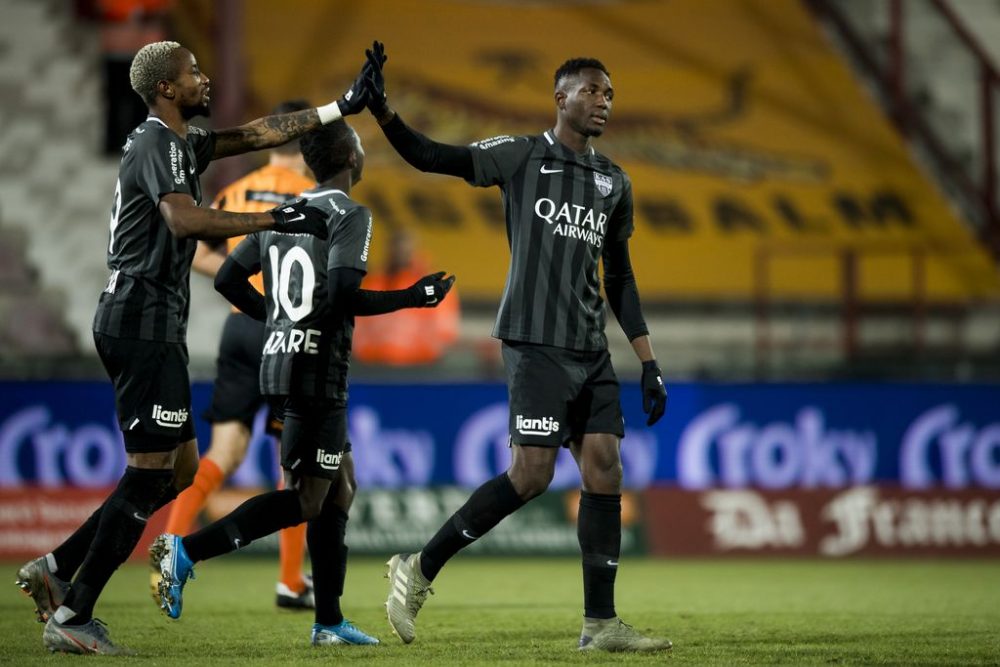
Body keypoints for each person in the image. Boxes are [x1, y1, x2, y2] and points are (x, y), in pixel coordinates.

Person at [14, 39, 376, 655]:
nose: (204, 79)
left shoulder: (182, 143)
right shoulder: (157, 141)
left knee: (179, 469)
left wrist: (339, 107)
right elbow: (183, 221)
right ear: (165, 89)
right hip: (139, 319)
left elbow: (261, 132)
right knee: (151, 471)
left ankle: (55, 564)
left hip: (158, 322)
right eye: (193, 74)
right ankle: (73, 611)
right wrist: (273, 220)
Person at [362, 44, 671, 652]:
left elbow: (623, 278)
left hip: (591, 347)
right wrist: (385, 115)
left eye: (609, 93)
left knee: (605, 468)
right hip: (534, 344)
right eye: (591, 91)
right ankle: (418, 568)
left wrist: (650, 360)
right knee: (531, 476)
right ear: (561, 98)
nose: (603, 101)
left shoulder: (614, 181)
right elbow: (434, 158)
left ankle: (600, 625)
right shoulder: (522, 156)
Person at [149, 116, 456, 647]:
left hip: (283, 362)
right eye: (358, 144)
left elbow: (225, 277)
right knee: (307, 499)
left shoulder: (284, 213)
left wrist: (276, 319)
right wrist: (412, 296)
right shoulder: (351, 215)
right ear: (350, 159)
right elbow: (341, 296)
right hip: (317, 371)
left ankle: (330, 622)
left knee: (340, 488)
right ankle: (185, 552)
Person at [159, 99, 317, 610]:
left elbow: (199, 253)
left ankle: (170, 548)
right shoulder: (314, 194)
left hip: (238, 327)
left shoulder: (238, 189)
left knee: (223, 452)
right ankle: (290, 580)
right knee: (291, 463)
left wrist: (241, 277)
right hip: (285, 332)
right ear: (310, 143)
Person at [352, 227, 460, 365]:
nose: (399, 252)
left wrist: (413, 349)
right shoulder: (371, 282)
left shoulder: (435, 285)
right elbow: (356, 327)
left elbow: (445, 332)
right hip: (372, 366)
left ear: (415, 250)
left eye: (405, 248)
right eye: (396, 247)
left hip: (421, 367)